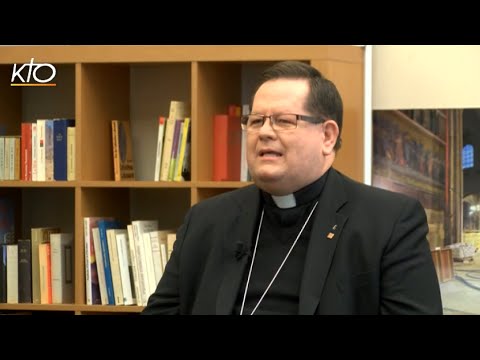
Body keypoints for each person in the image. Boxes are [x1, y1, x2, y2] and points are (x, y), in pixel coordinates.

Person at [142, 60, 443, 315]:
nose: (264, 133)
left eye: (284, 121)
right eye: (256, 120)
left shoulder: (390, 222)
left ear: (327, 136)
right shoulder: (205, 220)